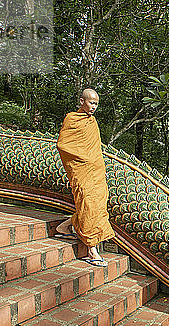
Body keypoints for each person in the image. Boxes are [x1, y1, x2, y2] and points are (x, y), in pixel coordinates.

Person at [55, 88, 115, 267]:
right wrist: (84, 158)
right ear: (82, 101)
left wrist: (95, 163)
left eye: (96, 103)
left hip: (96, 171)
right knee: (88, 204)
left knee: (97, 205)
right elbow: (63, 145)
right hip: (81, 169)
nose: (94, 107)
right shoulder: (72, 119)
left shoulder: (92, 121)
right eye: (91, 102)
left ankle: (64, 227)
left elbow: (95, 149)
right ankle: (92, 250)